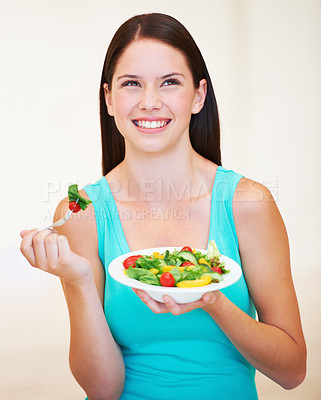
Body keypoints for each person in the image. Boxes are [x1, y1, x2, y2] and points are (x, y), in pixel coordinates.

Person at [20, 12, 306, 400]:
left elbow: (292, 371)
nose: (149, 102)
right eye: (131, 84)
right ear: (108, 98)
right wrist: (78, 279)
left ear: (198, 95)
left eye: (169, 83)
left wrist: (213, 302)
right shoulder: (80, 211)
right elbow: (103, 390)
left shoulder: (247, 204)